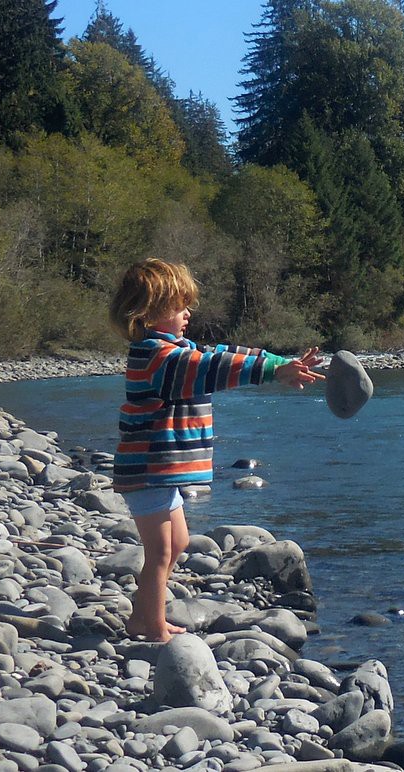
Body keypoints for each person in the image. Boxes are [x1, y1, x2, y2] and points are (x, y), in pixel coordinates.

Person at [108, 257, 324, 642]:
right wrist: (273, 373)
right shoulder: (158, 357)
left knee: (176, 545)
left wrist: (280, 363)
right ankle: (153, 628)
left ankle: (142, 616)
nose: (188, 312)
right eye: (180, 306)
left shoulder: (176, 349)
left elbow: (225, 353)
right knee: (160, 552)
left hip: (161, 470)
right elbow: (214, 367)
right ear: (150, 311)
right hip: (147, 469)